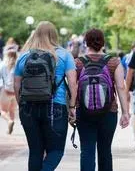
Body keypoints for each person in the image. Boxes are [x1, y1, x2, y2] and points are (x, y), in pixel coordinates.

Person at [14, 21, 78, 171]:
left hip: (28, 107)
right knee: (56, 151)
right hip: (55, 107)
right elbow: (73, 83)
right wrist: (72, 106)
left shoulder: (24, 57)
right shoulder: (64, 55)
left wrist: (21, 105)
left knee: (35, 151)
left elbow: (16, 85)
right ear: (54, 35)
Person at [74, 28, 130, 171]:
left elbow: (73, 87)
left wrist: (71, 109)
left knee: (87, 151)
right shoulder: (113, 62)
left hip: (84, 112)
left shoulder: (78, 63)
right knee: (105, 151)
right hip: (108, 112)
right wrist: (125, 112)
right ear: (103, 42)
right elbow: (121, 87)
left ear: (86, 43)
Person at [0, 44, 18, 134]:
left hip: (5, 91)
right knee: (12, 110)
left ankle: (9, 121)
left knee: (2, 110)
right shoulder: (18, 65)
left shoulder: (2, 64)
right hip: (15, 92)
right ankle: (10, 129)